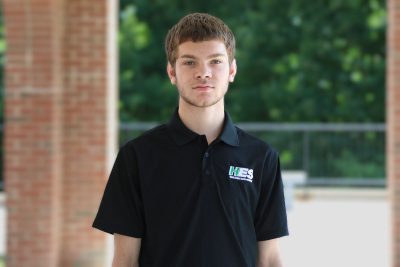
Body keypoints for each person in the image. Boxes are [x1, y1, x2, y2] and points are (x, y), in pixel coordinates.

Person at [93, 13, 288, 267]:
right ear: (171, 72)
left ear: (232, 70)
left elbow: (270, 258)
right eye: (189, 62)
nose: (203, 73)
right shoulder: (137, 157)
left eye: (215, 61)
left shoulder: (262, 158)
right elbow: (125, 260)